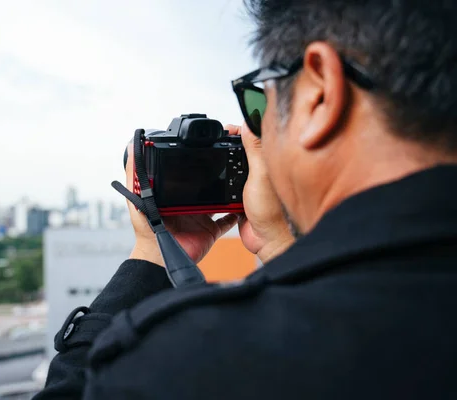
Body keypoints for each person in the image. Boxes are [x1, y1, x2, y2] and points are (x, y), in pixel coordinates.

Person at [34, 0, 457, 398]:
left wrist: (152, 253)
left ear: (318, 92)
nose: (258, 132)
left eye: (258, 105)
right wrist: (277, 244)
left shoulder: (183, 364)